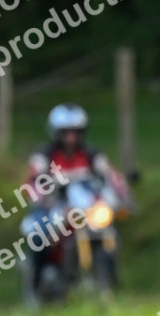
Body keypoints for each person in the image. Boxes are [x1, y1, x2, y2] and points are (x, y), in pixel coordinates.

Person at [21, 103, 131, 301]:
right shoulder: (44, 157)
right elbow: (31, 184)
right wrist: (42, 196)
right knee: (40, 237)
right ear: (56, 133)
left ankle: (109, 281)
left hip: (86, 211)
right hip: (53, 210)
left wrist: (123, 196)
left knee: (110, 234)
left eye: (76, 132)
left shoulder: (92, 155)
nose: (71, 137)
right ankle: (35, 289)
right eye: (65, 132)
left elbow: (112, 178)